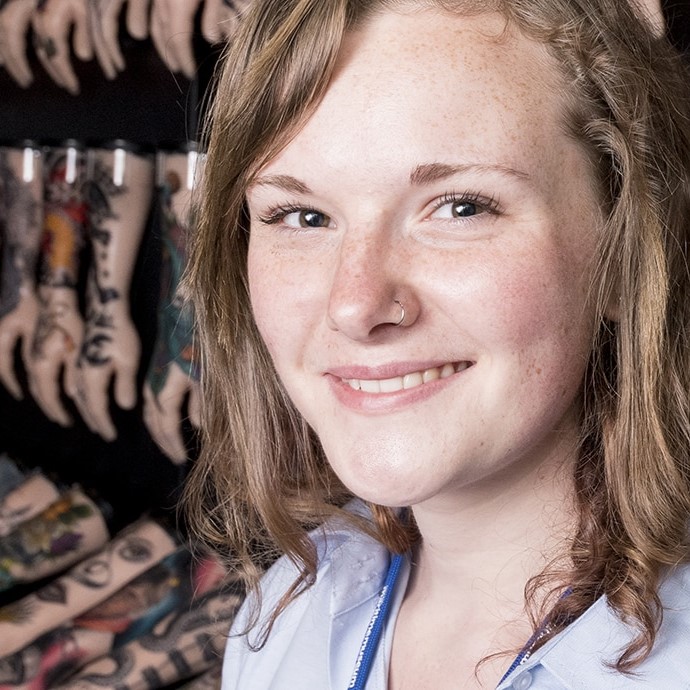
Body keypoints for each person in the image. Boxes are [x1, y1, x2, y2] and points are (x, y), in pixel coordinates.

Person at [184, 0, 690, 688]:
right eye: (302, 215)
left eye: (460, 207)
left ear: (624, 251)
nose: (356, 303)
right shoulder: (287, 615)